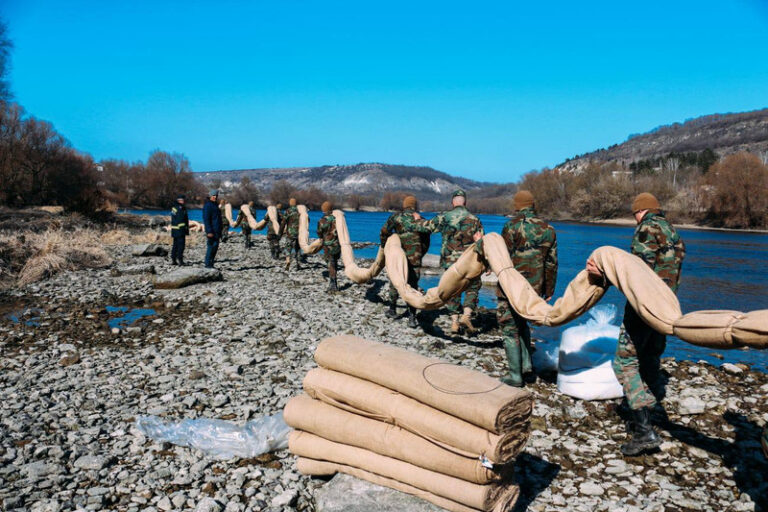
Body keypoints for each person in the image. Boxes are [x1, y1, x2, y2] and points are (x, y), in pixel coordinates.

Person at [587, 192, 685, 456]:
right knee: (650, 358)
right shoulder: (672, 232)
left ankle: (644, 431)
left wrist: (605, 273)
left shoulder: (646, 230)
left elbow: (637, 271)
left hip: (643, 308)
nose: (635, 220)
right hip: (666, 309)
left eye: (634, 215)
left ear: (641, 211)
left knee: (625, 362)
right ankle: (647, 414)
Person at [497, 190, 557, 386]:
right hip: (535, 287)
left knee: (509, 326)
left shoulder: (511, 226)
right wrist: (548, 291)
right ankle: (527, 365)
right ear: (532, 205)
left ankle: (515, 375)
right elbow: (552, 263)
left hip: (511, 286)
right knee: (523, 323)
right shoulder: (548, 229)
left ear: (517, 205)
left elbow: (502, 256)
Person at [424, 190, 484, 334]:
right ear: (465, 202)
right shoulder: (475, 219)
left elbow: (426, 227)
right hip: (469, 262)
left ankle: (454, 322)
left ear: (453, 202)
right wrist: (485, 263)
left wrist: (413, 218)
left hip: (449, 260)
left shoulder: (444, 217)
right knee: (473, 287)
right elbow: (481, 241)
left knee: (452, 290)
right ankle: (467, 315)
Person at [379, 195, 432, 328]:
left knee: (396, 281)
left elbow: (384, 231)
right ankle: (412, 317)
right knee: (413, 285)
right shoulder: (421, 220)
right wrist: (420, 252)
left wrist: (385, 245)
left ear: (404, 205)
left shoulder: (396, 217)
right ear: (415, 206)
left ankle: (392, 309)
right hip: (415, 257)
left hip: (398, 256)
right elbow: (427, 239)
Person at [317, 201, 341, 292]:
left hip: (327, 245)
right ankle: (334, 280)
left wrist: (320, 238)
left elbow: (319, 232)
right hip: (336, 245)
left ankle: (333, 284)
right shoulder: (336, 219)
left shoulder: (321, 221)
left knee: (330, 263)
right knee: (334, 262)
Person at [203, 190, 224, 268]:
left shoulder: (215, 205)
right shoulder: (208, 205)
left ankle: (211, 263)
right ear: (210, 196)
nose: (215, 197)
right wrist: (209, 231)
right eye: (213, 195)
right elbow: (206, 219)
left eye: (216, 196)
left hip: (217, 230)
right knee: (211, 247)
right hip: (211, 231)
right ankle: (207, 264)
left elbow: (218, 219)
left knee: (215, 247)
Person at [280, 198, 302, 270]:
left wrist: (280, 231)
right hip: (299, 233)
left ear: (290, 203)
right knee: (298, 248)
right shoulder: (300, 211)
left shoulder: (288, 211)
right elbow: (307, 220)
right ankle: (298, 263)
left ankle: (288, 261)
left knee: (288, 247)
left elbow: (283, 222)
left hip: (290, 232)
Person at [170, 194, 189, 265]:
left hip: (175, 230)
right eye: (183, 200)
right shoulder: (180, 208)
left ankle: (173, 259)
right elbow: (181, 220)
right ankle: (180, 260)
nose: (184, 201)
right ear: (179, 200)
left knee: (175, 245)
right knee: (181, 245)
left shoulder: (174, 207)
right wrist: (184, 229)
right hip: (180, 230)